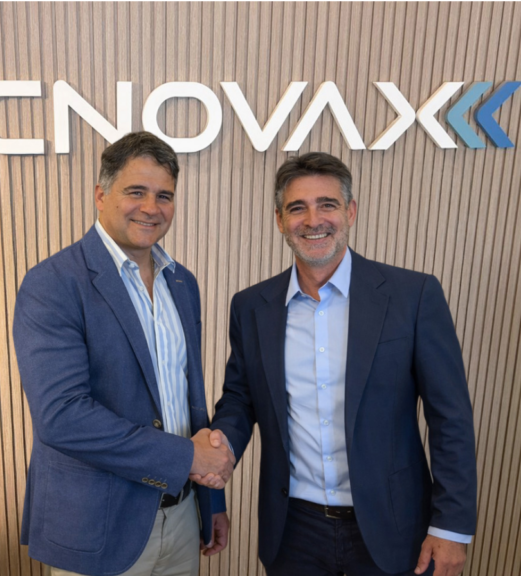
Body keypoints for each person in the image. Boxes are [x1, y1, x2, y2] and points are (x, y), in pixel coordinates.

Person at [201, 153, 477, 576]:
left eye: (327, 204)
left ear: (350, 211)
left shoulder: (412, 296)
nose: (313, 220)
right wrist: (219, 449)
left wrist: (451, 526)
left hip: (394, 527)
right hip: (293, 532)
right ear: (280, 220)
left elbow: (450, 417)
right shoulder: (252, 306)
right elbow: (240, 399)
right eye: (297, 208)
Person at [13, 132, 232, 576]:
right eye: (136, 192)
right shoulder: (53, 283)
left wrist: (212, 500)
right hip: (97, 527)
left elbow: (188, 402)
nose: (151, 207)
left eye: (164, 195)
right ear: (101, 195)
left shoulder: (182, 282)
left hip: (183, 517)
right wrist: (186, 458)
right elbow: (61, 416)